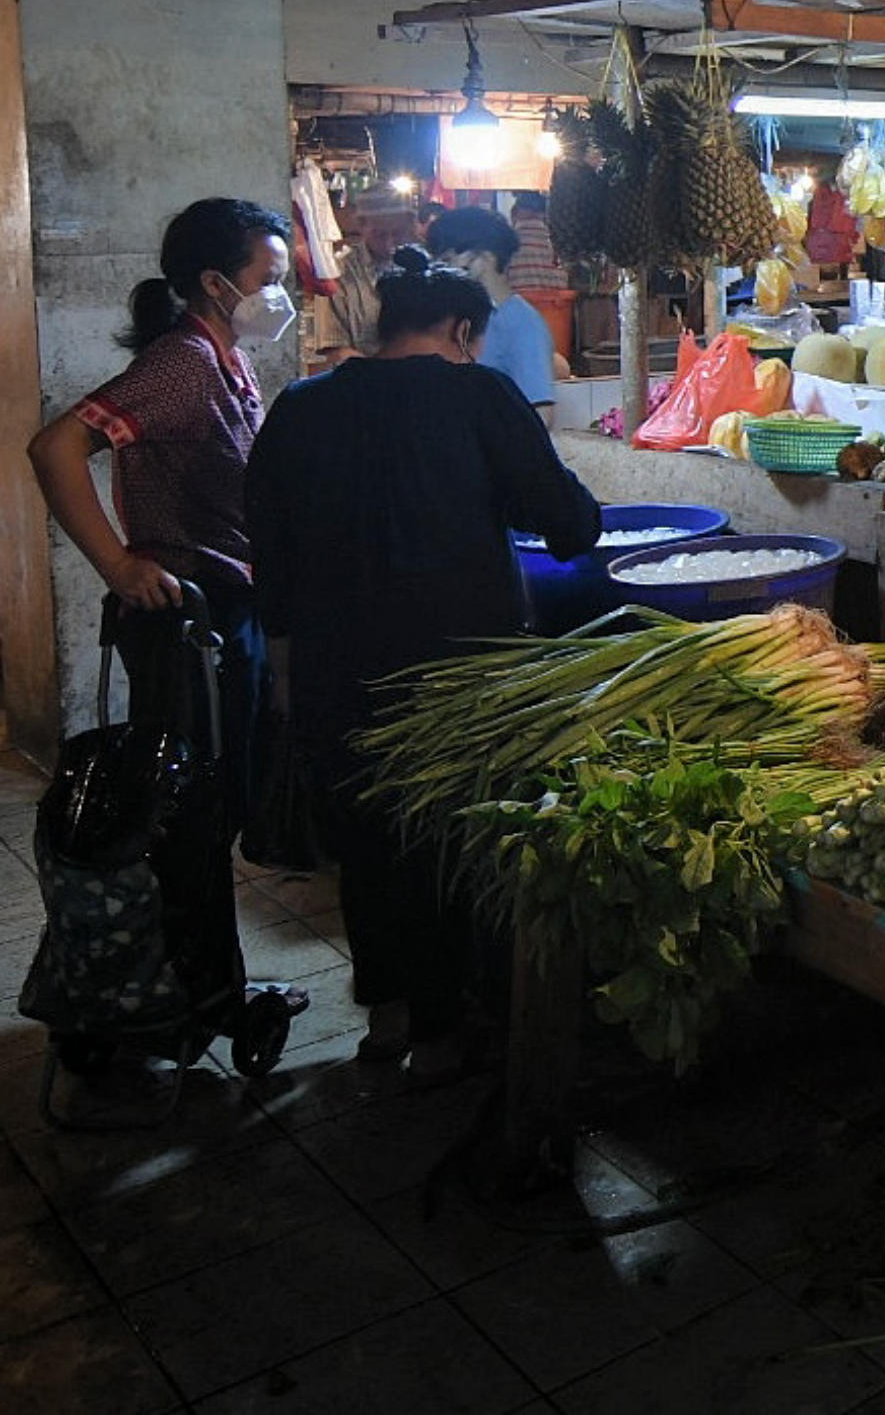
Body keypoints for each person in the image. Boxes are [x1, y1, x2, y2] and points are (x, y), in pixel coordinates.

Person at [246, 250, 600, 1076]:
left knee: (368, 844)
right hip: (457, 672)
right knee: (452, 840)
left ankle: (389, 1018)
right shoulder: (478, 394)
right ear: (463, 332)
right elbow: (569, 525)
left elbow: (270, 549)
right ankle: (443, 1031)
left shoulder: (300, 406)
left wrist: (286, 671)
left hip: (337, 671)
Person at [28, 197, 297, 831]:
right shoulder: (183, 362)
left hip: (226, 599)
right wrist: (118, 566)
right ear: (215, 284)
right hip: (189, 610)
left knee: (219, 796)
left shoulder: (227, 356)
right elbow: (55, 447)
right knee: (190, 807)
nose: (279, 296)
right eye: (268, 280)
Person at [426, 203, 557, 411]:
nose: (441, 272)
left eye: (448, 260)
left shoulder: (522, 323)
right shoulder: (463, 317)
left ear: (484, 259)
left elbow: (540, 412)